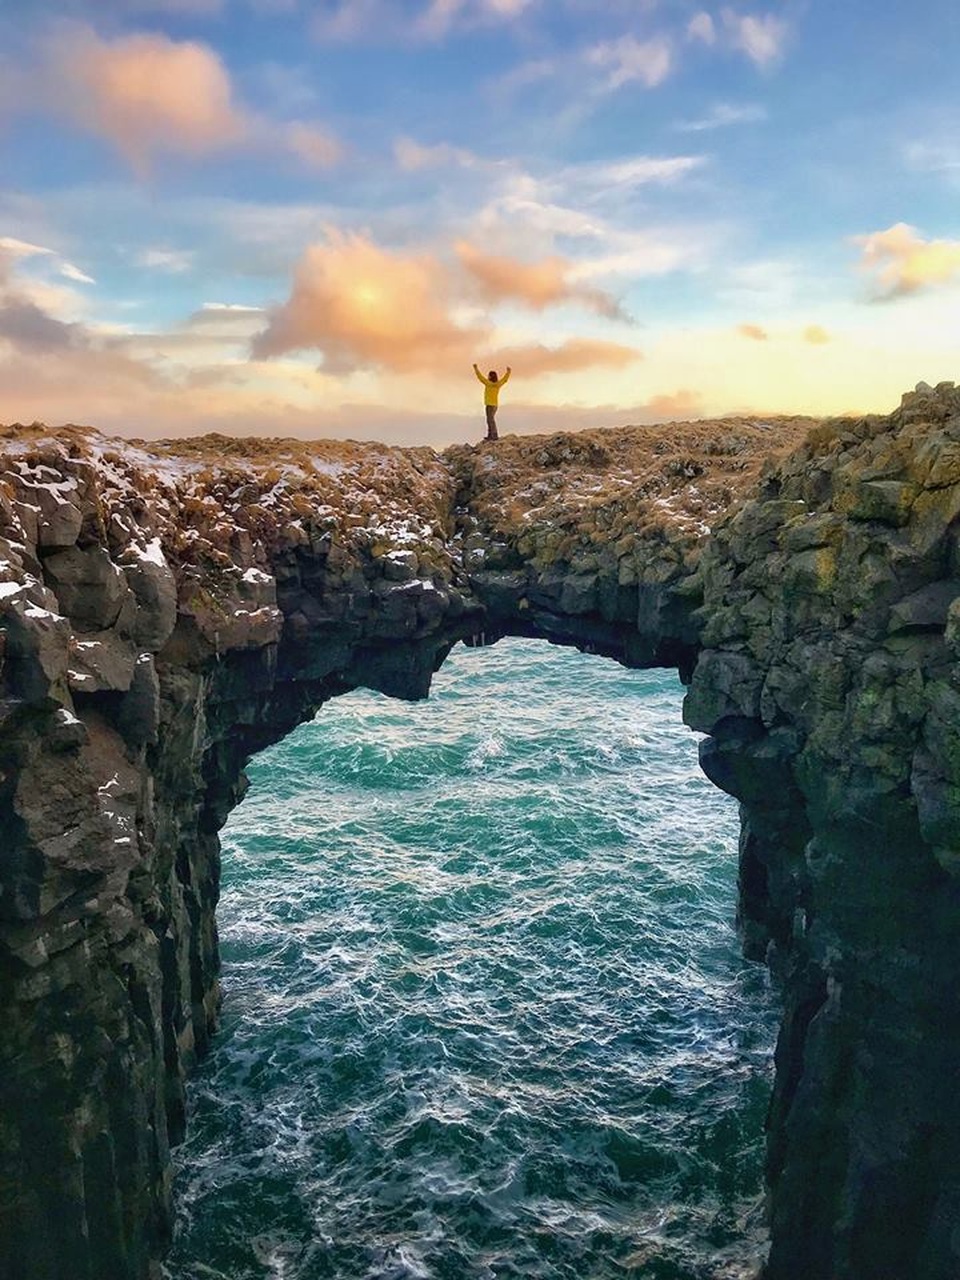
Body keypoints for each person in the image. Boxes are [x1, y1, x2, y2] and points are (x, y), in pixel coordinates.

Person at [473, 363, 511, 441]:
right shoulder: (498, 384)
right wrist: (508, 372)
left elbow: (480, 377)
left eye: (489, 375)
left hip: (489, 405)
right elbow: (504, 380)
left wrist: (476, 368)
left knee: (490, 421)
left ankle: (494, 436)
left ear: (490, 376)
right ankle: (491, 435)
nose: (488, 376)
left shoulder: (488, 383)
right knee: (490, 420)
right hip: (495, 405)